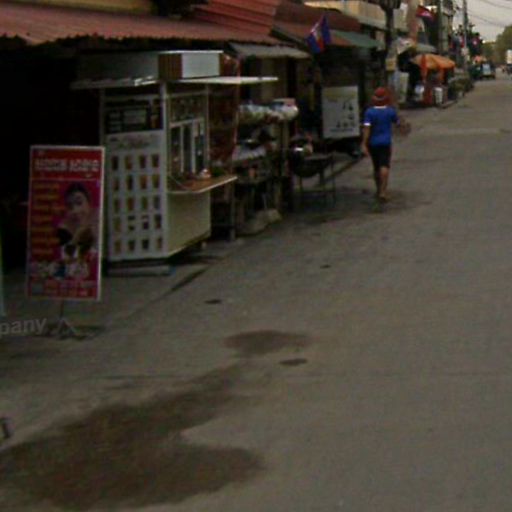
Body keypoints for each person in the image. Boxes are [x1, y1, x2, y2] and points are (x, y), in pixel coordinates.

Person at [361, 87, 401, 202]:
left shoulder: (369, 112)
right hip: (385, 142)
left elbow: (367, 129)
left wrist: (364, 143)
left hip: (373, 143)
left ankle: (378, 189)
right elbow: (398, 123)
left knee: (376, 166)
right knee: (385, 165)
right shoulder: (390, 111)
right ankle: (383, 191)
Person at [57, 183, 98, 263]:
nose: (75, 210)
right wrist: (77, 236)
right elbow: (68, 259)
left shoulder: (98, 217)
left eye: (79, 203)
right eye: (70, 206)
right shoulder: (64, 229)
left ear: (89, 202)